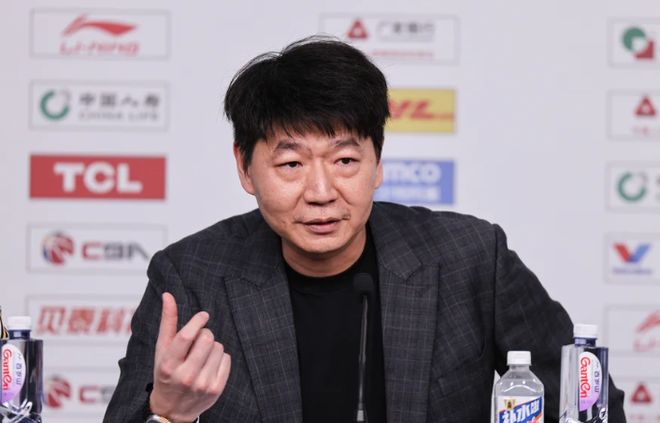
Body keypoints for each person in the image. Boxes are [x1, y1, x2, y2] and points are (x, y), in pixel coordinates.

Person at [103, 36, 627, 423]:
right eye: (291, 165)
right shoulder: (193, 276)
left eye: (345, 161)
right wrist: (168, 415)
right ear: (244, 168)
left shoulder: (470, 258)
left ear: (377, 163)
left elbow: (594, 405)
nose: (321, 191)